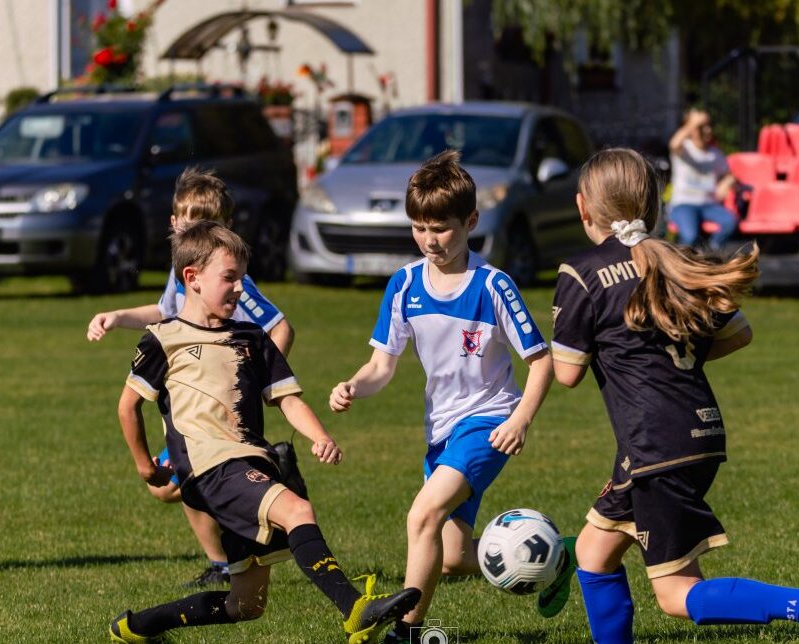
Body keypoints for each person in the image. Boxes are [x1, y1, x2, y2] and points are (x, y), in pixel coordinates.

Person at [549, 148, 799, 644]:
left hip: (654, 446)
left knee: (675, 593)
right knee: (593, 550)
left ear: (584, 207)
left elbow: (566, 374)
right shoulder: (677, 259)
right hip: (696, 431)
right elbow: (738, 335)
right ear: (653, 205)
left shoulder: (583, 271)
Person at [109, 220, 420, 644]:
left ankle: (136, 627)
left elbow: (287, 399)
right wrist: (146, 466)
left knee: (247, 604)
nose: (239, 289)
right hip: (210, 467)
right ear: (192, 278)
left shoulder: (252, 337)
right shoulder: (164, 339)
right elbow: (128, 406)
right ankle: (355, 610)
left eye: (242, 278)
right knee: (297, 511)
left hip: (251, 462)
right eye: (229, 278)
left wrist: (320, 436)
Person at [328, 150, 555, 643]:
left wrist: (520, 420)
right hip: (441, 430)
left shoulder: (493, 285)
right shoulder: (404, 284)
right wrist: (352, 386)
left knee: (422, 514)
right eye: (419, 228)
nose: (429, 240)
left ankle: (406, 634)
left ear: (471, 221)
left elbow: (542, 360)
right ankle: (559, 554)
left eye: (442, 228)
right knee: (451, 555)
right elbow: (381, 367)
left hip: (488, 422)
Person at [87, 166, 294, 587]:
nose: (194, 229)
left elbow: (281, 328)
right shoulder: (184, 273)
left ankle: (240, 546)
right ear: (174, 223)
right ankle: (233, 552)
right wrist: (118, 316)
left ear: (226, 229)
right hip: (184, 398)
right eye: (188, 221)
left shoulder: (233, 281)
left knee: (187, 480)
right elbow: (165, 313)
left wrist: (255, 376)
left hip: (217, 406)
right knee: (171, 486)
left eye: (208, 223)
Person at [668, 108, 738, 250]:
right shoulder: (684, 149)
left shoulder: (715, 154)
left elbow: (729, 175)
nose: (706, 130)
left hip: (709, 205)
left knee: (731, 221)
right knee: (690, 237)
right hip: (684, 204)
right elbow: (673, 144)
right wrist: (693, 123)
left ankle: (712, 250)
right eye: (701, 127)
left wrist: (727, 182)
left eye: (708, 126)